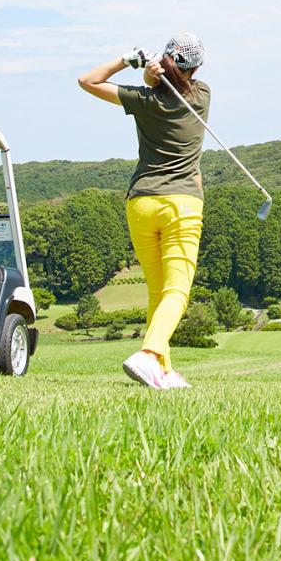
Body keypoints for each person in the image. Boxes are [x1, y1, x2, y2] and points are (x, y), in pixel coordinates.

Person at [78, 32, 209, 390]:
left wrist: (128, 61)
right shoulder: (203, 96)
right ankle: (150, 353)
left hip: (141, 202)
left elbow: (87, 81)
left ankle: (163, 370)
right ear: (196, 67)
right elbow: (173, 83)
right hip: (181, 204)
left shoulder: (143, 99)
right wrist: (151, 75)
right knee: (177, 290)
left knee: (157, 291)